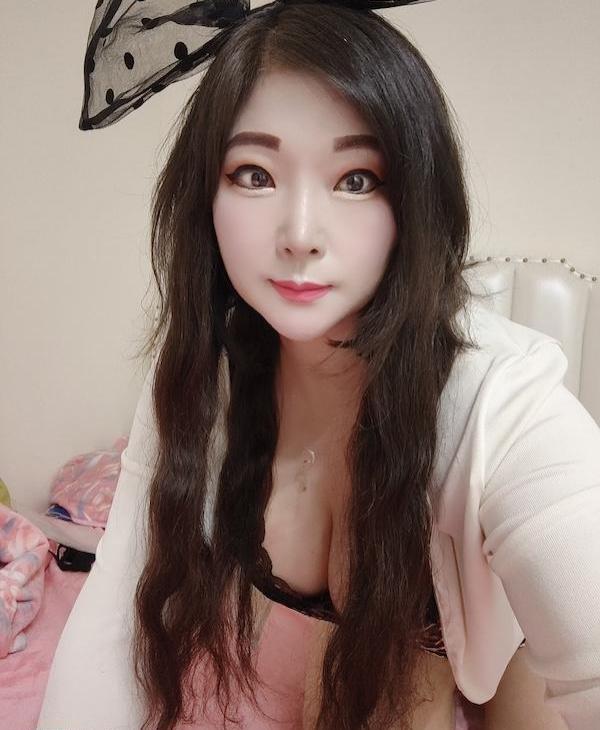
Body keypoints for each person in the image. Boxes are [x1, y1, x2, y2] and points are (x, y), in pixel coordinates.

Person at [37, 1, 600, 729]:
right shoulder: (200, 373)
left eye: (356, 179)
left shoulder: (503, 408)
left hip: (493, 658)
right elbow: (116, 606)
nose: (300, 234)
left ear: (415, 199)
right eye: (254, 173)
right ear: (205, 196)